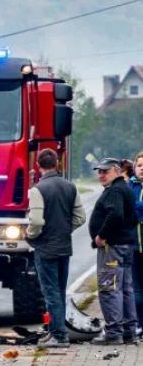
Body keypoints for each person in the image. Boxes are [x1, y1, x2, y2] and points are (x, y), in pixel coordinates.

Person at [26, 149, 86, 348]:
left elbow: (35, 220)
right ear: (57, 164)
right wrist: (63, 230)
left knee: (49, 291)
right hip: (63, 246)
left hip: (45, 247)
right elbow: (80, 218)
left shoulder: (38, 189)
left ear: (38, 165)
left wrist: (31, 235)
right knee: (59, 290)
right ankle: (54, 330)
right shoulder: (70, 187)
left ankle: (59, 336)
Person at [89, 157, 138, 345]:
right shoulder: (125, 188)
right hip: (125, 245)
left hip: (112, 247)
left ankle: (113, 332)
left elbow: (115, 214)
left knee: (110, 288)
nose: (101, 175)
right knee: (126, 289)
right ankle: (129, 331)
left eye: (105, 171)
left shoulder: (115, 190)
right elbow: (132, 217)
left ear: (117, 171)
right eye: (99, 171)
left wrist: (101, 236)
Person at [130, 152, 143, 334]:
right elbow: (126, 208)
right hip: (133, 247)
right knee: (137, 291)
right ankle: (140, 324)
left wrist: (137, 208)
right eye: (140, 165)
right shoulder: (128, 187)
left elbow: (134, 207)